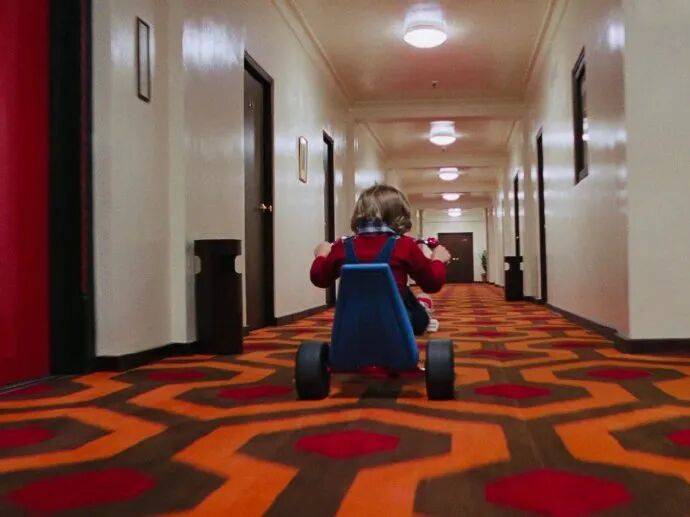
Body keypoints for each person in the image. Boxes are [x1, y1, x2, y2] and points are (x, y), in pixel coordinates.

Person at [310, 184, 451, 335]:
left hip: (352, 321)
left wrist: (321, 255)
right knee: (415, 310)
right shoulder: (405, 245)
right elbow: (432, 284)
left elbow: (319, 278)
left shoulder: (342, 245)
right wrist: (437, 260)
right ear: (401, 215)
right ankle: (421, 307)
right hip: (396, 323)